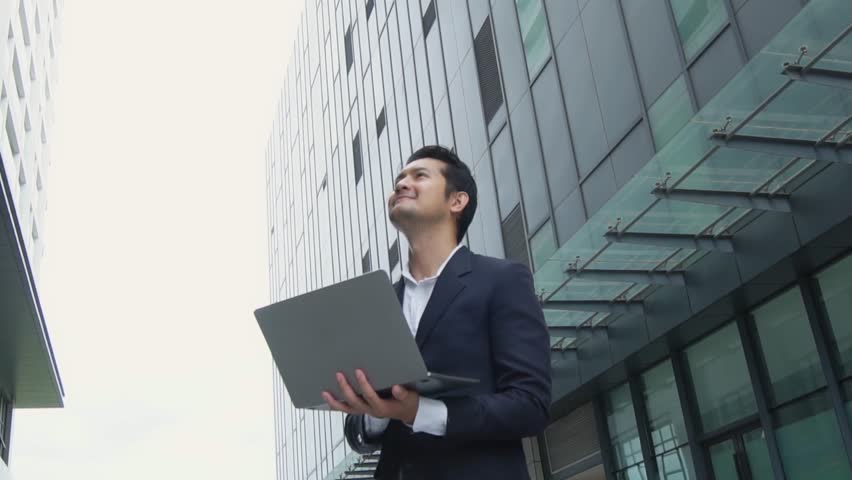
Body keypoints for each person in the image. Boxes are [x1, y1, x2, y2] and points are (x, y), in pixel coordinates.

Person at [322, 145, 552, 479]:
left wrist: (422, 412)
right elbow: (360, 434)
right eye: (399, 178)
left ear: (456, 201)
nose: (401, 184)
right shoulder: (377, 305)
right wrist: (378, 411)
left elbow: (530, 405)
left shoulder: (502, 280)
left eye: (419, 176)